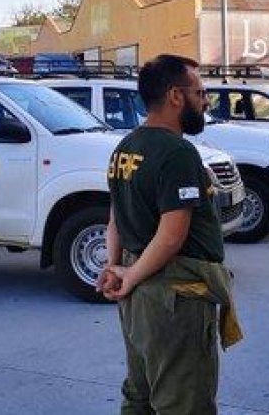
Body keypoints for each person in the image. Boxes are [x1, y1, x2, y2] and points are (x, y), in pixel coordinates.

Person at [98, 54, 241, 415]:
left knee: (141, 396)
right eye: (200, 91)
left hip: (139, 295)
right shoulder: (177, 152)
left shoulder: (126, 147)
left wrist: (115, 267)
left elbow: (115, 217)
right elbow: (172, 235)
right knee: (184, 403)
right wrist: (127, 275)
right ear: (176, 96)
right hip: (173, 297)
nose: (205, 100)